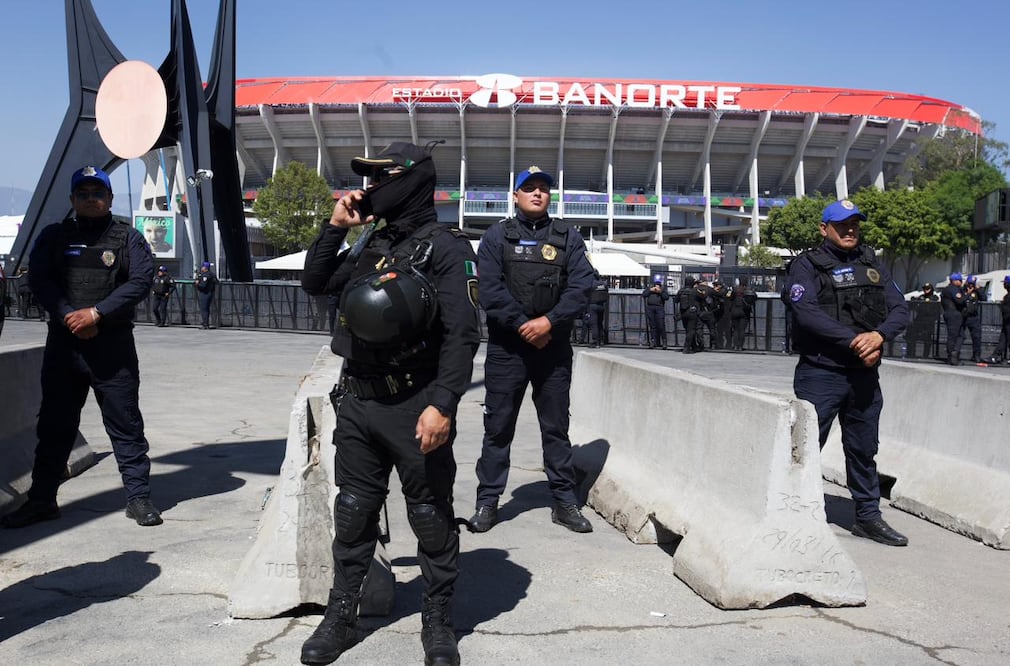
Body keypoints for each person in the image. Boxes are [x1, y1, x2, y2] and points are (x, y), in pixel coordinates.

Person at [299, 141, 479, 666]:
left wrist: (443, 404)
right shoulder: (373, 241)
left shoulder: (447, 248)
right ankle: (340, 616)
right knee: (354, 513)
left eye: (383, 177)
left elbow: (463, 334)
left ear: (414, 179)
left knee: (430, 516)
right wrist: (335, 228)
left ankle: (438, 620)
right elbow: (315, 283)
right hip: (359, 403)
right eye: (369, 179)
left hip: (415, 404)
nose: (372, 187)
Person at [1, 166, 162, 529]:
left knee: (125, 424)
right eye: (84, 194)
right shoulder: (53, 236)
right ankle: (42, 500)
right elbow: (39, 280)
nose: (91, 199)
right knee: (54, 426)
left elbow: (140, 281)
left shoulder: (128, 238)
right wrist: (70, 316)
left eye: (98, 193)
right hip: (64, 345)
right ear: (73, 199)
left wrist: (97, 313)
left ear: (109, 198)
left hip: (112, 348)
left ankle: (138, 498)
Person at [469, 165, 595, 535]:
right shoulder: (497, 236)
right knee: (498, 427)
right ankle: (487, 501)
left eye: (542, 188)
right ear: (516, 196)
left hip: (552, 349)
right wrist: (526, 327)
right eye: (529, 188)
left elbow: (581, 286)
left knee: (556, 428)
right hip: (508, 350)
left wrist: (549, 323)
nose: (537, 193)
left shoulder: (568, 237)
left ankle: (564, 501)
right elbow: (489, 291)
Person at [786, 199, 909, 547]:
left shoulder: (871, 262)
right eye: (842, 225)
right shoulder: (807, 265)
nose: (850, 230)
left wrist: (879, 336)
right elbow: (806, 312)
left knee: (863, 449)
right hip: (821, 373)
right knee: (805, 448)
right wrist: (856, 341)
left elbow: (900, 309)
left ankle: (868, 517)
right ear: (824, 229)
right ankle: (792, 514)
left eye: (854, 224)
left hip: (863, 376)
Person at [908, 283, 940, 359]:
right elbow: (915, 303)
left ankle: (926, 355)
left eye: (928, 289)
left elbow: (934, 305)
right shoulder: (921, 296)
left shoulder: (934, 297)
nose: (926, 290)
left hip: (929, 321)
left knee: (927, 338)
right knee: (913, 336)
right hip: (919, 320)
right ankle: (912, 354)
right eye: (925, 289)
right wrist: (914, 299)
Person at [940, 272, 966, 365]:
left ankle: (954, 354)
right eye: (960, 280)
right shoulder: (953, 289)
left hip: (950, 313)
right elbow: (959, 300)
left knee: (960, 335)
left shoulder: (947, 289)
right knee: (954, 336)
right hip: (953, 314)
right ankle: (952, 356)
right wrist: (967, 295)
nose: (961, 282)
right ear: (954, 281)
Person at [961, 275, 985, 362]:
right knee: (960, 336)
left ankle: (976, 355)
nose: (970, 285)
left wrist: (978, 289)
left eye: (972, 284)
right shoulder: (962, 290)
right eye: (969, 283)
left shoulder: (976, 291)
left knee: (976, 337)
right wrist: (967, 292)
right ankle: (956, 354)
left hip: (973, 317)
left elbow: (984, 298)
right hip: (963, 316)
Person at [987, 275, 1010, 364]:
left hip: (1008, 321)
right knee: (1003, 340)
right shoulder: (1007, 296)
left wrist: (1003, 306)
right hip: (1006, 322)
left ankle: (995, 356)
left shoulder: (1008, 297)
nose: (1004, 285)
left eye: (1005, 283)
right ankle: (995, 356)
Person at [642, 277, 669, 349]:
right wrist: (651, 290)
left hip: (659, 308)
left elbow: (666, 297)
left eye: (658, 285)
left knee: (661, 325)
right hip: (650, 308)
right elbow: (644, 294)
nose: (657, 287)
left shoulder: (663, 290)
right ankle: (653, 341)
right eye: (656, 285)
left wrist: (660, 292)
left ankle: (664, 341)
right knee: (652, 325)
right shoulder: (650, 289)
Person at [728, 282, 756, 351]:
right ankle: (740, 346)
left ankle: (735, 346)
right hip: (745, 312)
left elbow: (728, 296)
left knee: (735, 330)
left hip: (734, 311)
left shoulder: (734, 289)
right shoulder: (749, 290)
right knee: (742, 330)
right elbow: (755, 297)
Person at [678, 277, 702, 353]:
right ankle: (686, 348)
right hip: (692, 312)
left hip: (683, 312)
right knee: (691, 331)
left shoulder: (681, 291)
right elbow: (702, 296)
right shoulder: (694, 291)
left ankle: (694, 346)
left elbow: (676, 300)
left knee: (688, 330)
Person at [587, 270, 609, 347]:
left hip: (592, 305)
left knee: (594, 324)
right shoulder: (604, 284)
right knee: (599, 324)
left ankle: (595, 342)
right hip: (601, 306)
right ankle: (601, 340)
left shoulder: (590, 284)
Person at [194, 261, 218, 329]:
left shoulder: (205, 275)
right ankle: (206, 323)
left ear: (205, 268)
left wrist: (197, 284)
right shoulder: (212, 274)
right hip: (210, 293)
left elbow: (203, 285)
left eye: (203, 266)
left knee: (204, 309)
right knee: (206, 309)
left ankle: (205, 324)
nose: (201, 268)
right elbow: (216, 281)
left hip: (205, 293)